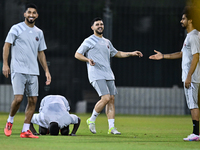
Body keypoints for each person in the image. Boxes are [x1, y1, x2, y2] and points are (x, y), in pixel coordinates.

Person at [75, 17, 143, 135]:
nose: (100, 26)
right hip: (96, 73)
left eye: (101, 24)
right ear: (92, 28)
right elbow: (77, 54)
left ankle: (111, 128)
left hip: (108, 74)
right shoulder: (89, 40)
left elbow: (116, 53)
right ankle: (91, 119)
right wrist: (87, 59)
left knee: (111, 100)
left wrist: (131, 53)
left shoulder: (106, 41)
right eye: (97, 24)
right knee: (105, 98)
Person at [149, 7, 200, 141]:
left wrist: (189, 76)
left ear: (190, 20)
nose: (181, 21)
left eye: (183, 18)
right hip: (191, 76)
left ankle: (196, 134)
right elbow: (181, 54)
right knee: (193, 104)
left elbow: (196, 57)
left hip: (192, 77)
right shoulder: (189, 36)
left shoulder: (194, 36)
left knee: (193, 104)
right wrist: (163, 56)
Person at [3, 3, 51, 138]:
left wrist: (46, 71)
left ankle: (25, 130)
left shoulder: (39, 32)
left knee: (33, 100)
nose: (31, 15)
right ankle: (10, 121)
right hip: (18, 69)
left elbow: (41, 53)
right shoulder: (16, 28)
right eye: (29, 12)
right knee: (18, 99)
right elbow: (6, 46)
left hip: (33, 71)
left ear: (37, 15)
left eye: (34, 13)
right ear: (25, 14)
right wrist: (5, 64)